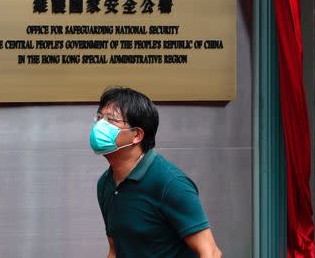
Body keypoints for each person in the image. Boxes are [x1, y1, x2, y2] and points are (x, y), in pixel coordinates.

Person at [91, 87, 222, 258]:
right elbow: (115, 250)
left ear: (137, 135)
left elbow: (211, 253)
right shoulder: (105, 184)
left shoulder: (170, 183)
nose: (100, 125)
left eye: (110, 120)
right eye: (99, 118)